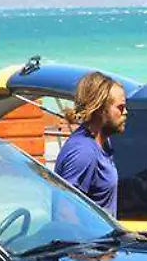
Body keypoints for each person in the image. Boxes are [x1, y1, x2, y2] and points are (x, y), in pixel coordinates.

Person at [54, 71, 127, 217]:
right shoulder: (83, 152)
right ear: (101, 110)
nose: (126, 112)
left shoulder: (103, 143)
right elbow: (65, 214)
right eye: (120, 107)